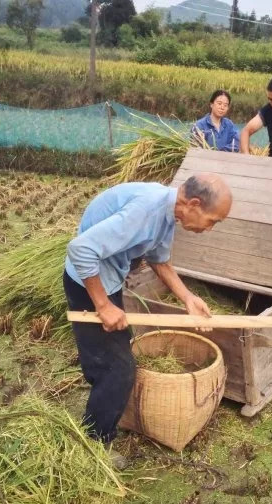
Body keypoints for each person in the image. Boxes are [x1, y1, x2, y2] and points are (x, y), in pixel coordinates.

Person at [63, 173, 232, 466]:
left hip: (108, 281)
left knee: (113, 357)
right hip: (88, 285)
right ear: (193, 204)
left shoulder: (168, 212)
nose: (211, 228)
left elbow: (159, 259)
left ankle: (102, 404)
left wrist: (188, 299)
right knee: (119, 369)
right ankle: (92, 447)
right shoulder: (146, 210)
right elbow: (81, 249)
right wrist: (102, 305)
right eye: (213, 220)